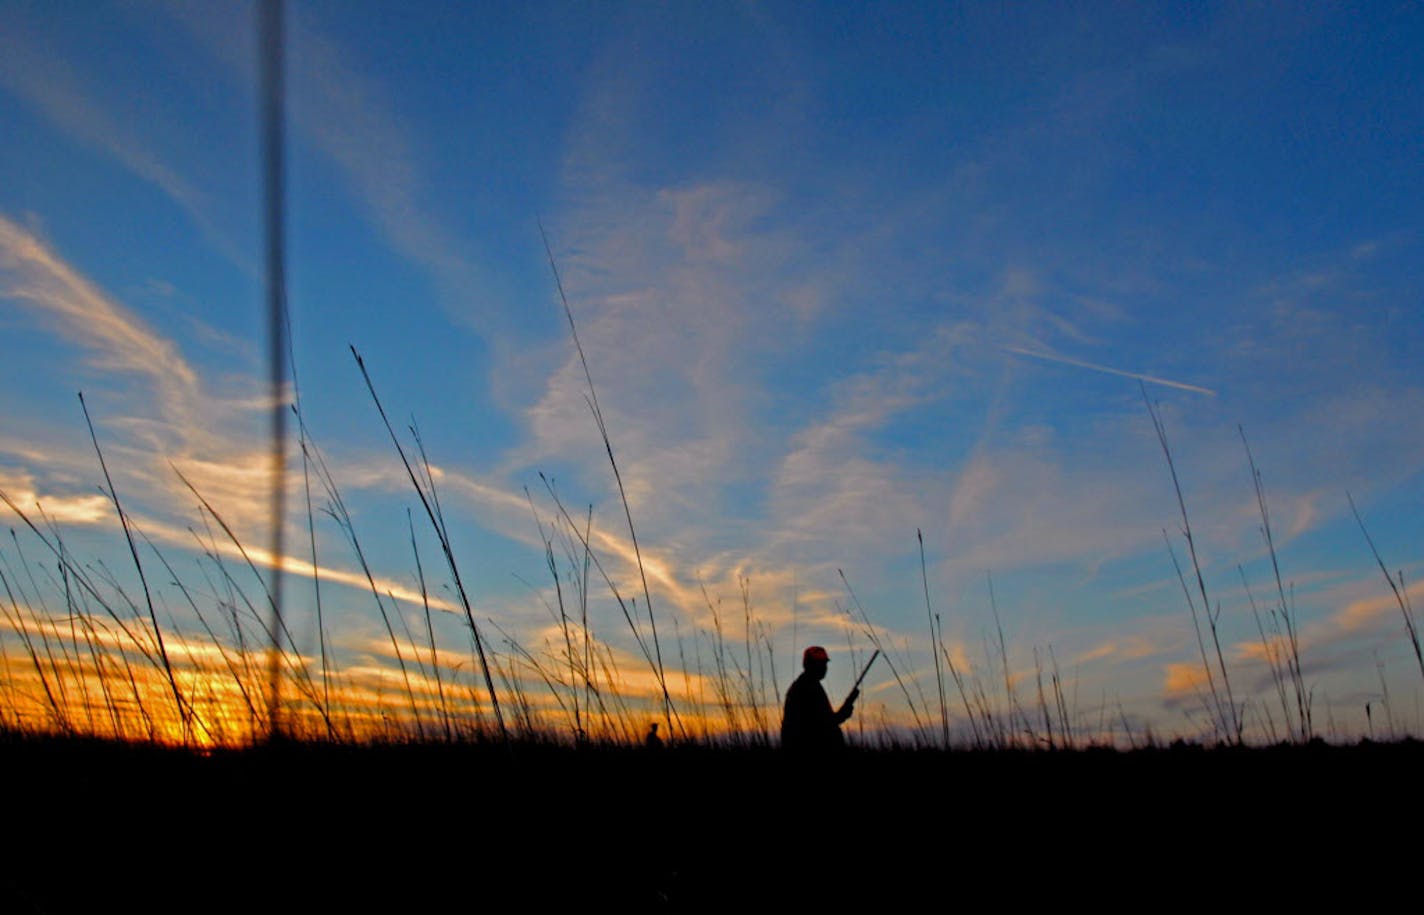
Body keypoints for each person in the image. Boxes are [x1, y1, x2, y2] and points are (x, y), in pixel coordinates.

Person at [780, 646, 859, 752]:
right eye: (820, 663)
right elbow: (825, 723)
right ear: (809, 665)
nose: (824, 667)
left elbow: (825, 720)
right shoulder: (807, 688)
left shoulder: (807, 684)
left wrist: (847, 706)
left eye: (824, 663)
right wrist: (846, 708)